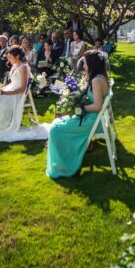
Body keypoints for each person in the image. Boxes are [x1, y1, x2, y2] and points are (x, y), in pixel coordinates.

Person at [46, 50, 111, 178]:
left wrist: (80, 108)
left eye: (86, 64)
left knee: (55, 129)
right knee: (57, 122)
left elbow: (97, 106)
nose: (84, 66)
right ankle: (66, 157)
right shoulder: (99, 77)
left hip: (93, 121)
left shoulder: (96, 81)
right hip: (93, 117)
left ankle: (64, 165)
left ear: (92, 64)